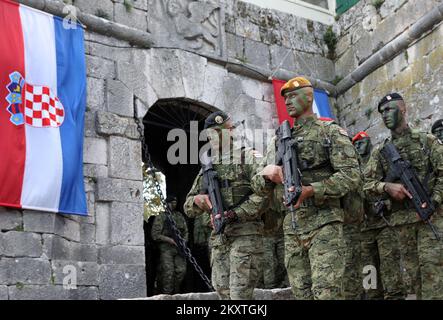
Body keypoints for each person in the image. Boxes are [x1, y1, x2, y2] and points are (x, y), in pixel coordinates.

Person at [252, 76, 361, 299]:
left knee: (326, 293)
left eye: (293, 96)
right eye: (285, 98)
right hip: (292, 228)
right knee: (302, 294)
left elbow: (351, 175)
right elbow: (257, 185)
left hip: (325, 223)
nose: (288, 102)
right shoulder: (279, 141)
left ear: (309, 96)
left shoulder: (329, 132)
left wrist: (312, 190)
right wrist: (266, 174)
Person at [363, 93, 443, 299]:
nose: (385, 115)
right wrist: (386, 187)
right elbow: (364, 184)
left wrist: (433, 200)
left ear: (403, 109)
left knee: (434, 276)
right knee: (412, 281)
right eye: (381, 112)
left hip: (430, 219)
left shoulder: (427, 141)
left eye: (389, 109)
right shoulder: (381, 152)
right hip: (402, 225)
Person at [183, 111, 266, 300]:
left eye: (221, 132)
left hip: (245, 234)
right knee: (224, 295)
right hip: (219, 240)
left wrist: (235, 213)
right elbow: (188, 206)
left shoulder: (247, 157)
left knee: (239, 296)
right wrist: (197, 201)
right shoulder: (207, 166)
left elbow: (265, 193)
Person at [353, 131, 406, 299]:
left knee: (391, 270)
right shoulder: (353, 167)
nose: (358, 147)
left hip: (384, 223)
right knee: (369, 276)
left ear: (369, 142)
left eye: (362, 142)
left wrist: (387, 202)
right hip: (364, 227)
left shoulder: (381, 160)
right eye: (356, 144)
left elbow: (396, 183)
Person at [151, 195, 188, 294]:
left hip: (179, 247)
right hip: (166, 248)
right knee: (168, 273)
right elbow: (155, 235)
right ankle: (167, 294)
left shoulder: (179, 216)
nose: (174, 205)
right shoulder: (161, 217)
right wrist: (169, 239)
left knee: (181, 271)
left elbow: (185, 231)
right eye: (172, 203)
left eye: (175, 203)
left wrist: (183, 241)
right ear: (167, 204)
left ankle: (175, 293)